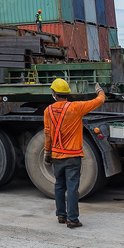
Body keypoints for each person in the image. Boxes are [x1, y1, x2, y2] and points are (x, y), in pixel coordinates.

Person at [43, 78, 105, 228]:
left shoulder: (48, 111)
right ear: (67, 94)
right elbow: (99, 101)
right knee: (72, 188)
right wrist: (100, 91)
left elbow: (47, 134)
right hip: (73, 156)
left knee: (59, 186)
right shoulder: (76, 108)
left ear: (54, 94)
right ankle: (72, 219)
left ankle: (61, 215)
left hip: (57, 155)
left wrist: (47, 152)